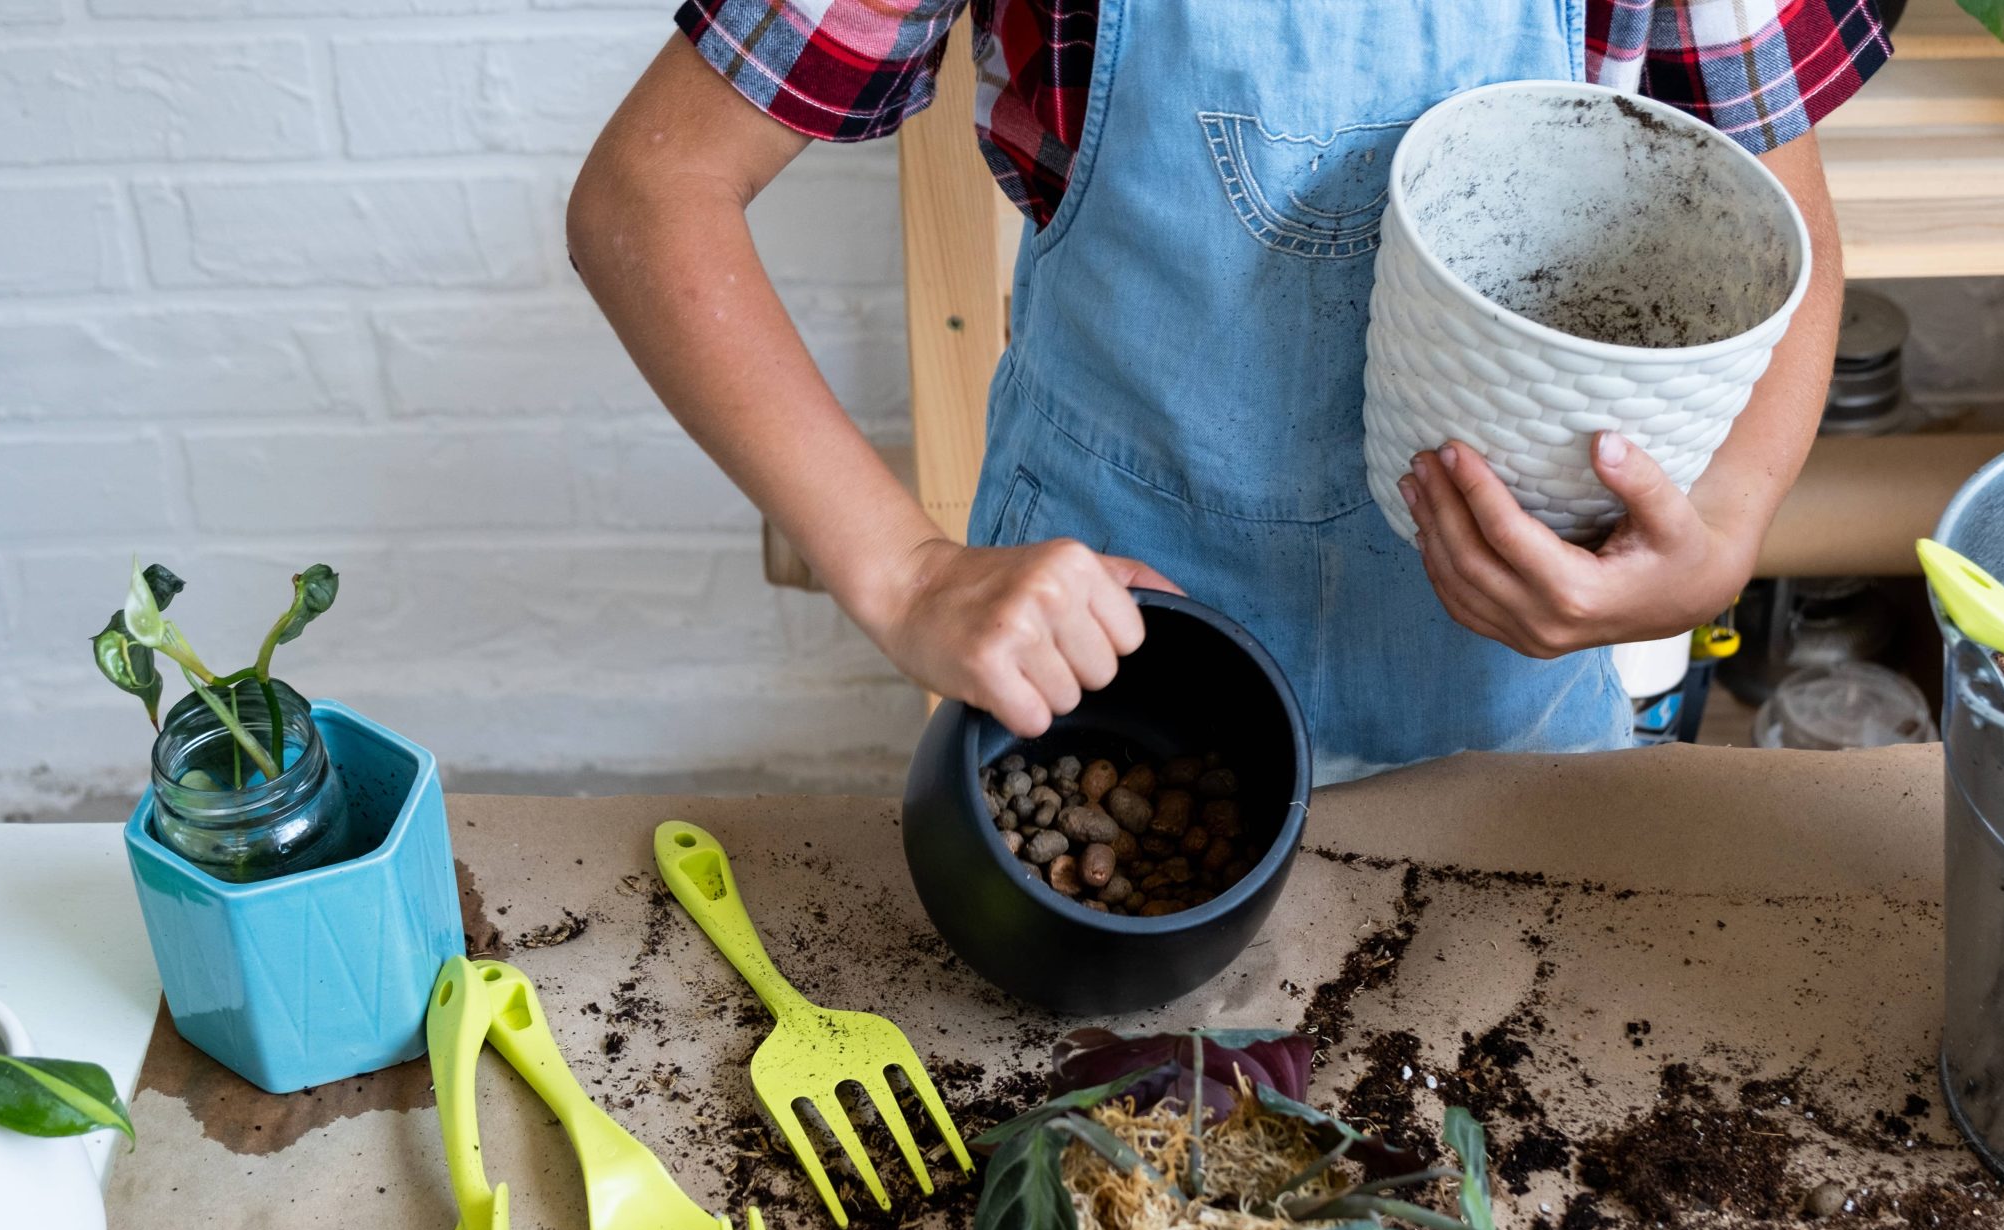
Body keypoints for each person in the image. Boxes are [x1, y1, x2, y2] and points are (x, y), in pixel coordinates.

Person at [571, 0, 1883, 779]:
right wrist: (906, 575)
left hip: (1504, 697)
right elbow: (652, 194)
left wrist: (1722, 537)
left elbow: (1789, 240)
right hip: (1102, 653)